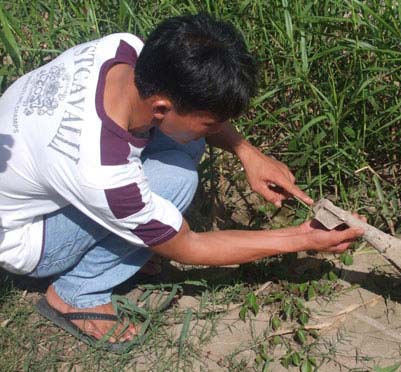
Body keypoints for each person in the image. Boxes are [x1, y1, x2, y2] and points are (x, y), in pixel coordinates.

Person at [0, 13, 364, 350]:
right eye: (211, 122)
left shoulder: (122, 51)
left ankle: (126, 241)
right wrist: (303, 238)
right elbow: (189, 246)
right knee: (175, 179)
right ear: (160, 108)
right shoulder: (101, 171)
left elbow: (186, 117)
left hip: (34, 175)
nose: (216, 131)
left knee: (184, 145)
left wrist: (247, 153)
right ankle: (77, 294)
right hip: (28, 238)